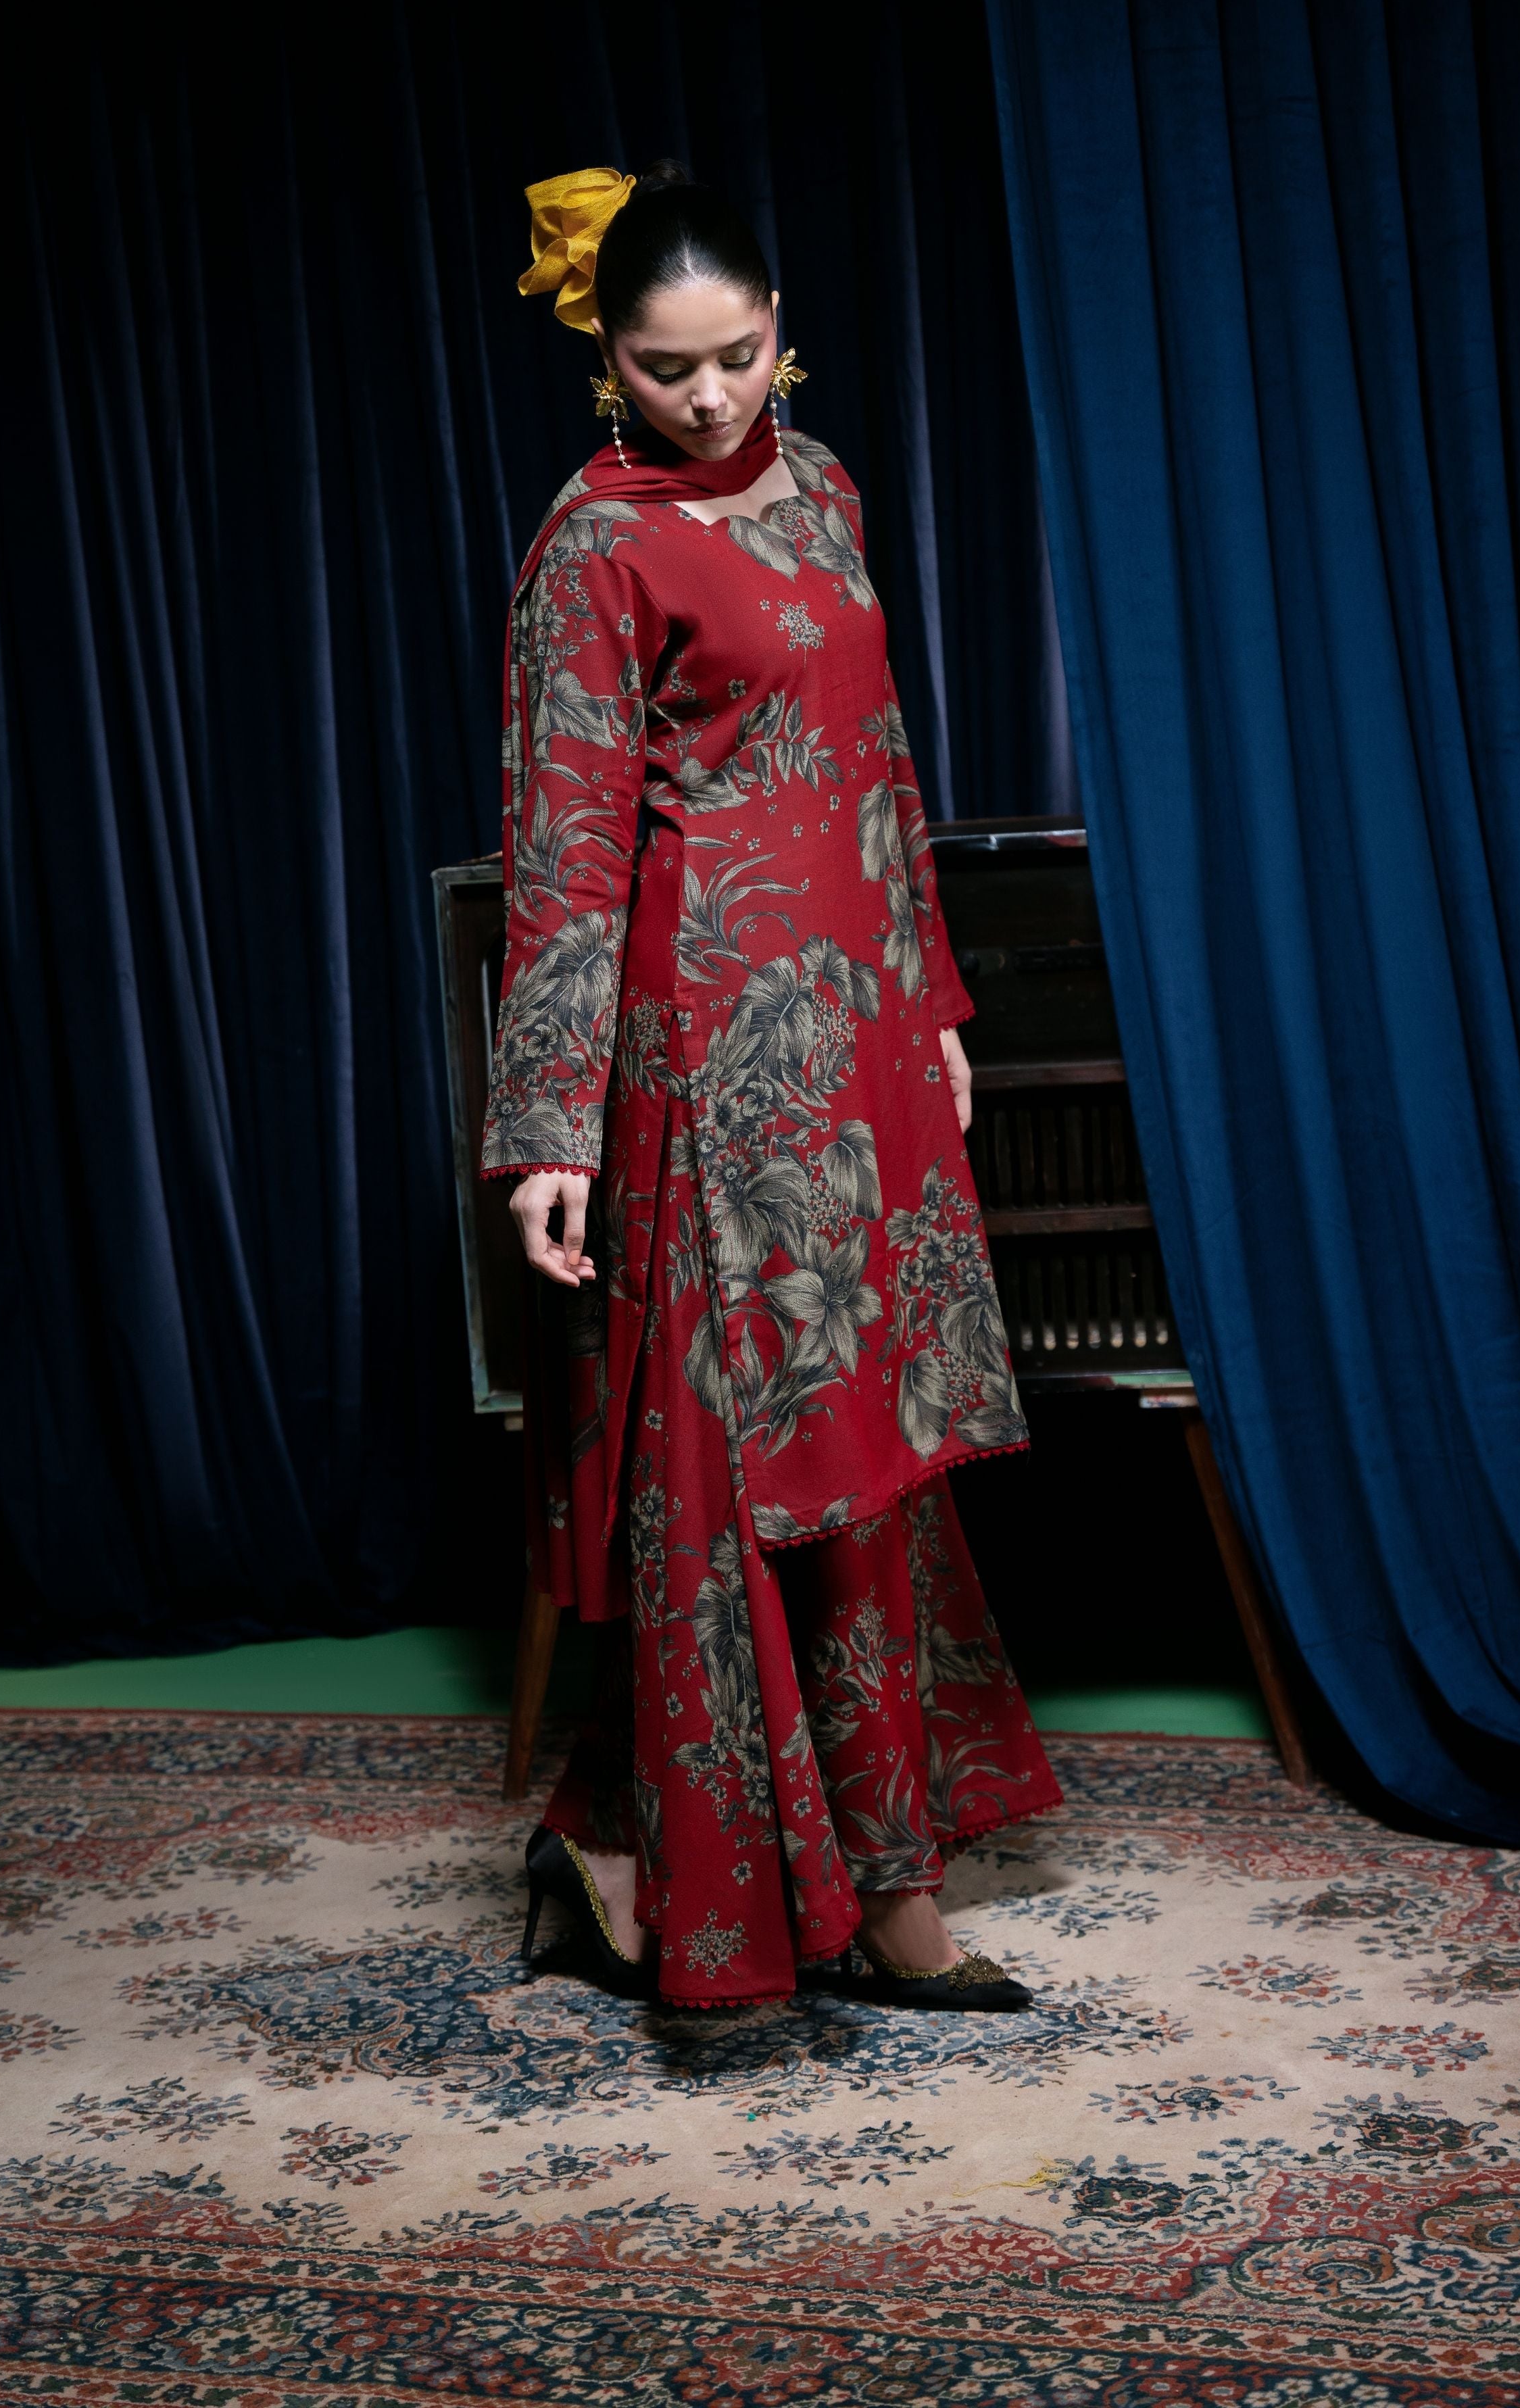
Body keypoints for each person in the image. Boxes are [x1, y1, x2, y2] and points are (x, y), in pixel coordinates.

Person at [483, 161, 1059, 2011]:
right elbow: (566, 848)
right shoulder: (594, 548)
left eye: (735, 355)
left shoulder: (822, 488)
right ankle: (774, 1896)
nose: (711, 396)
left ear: (779, 330)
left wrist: (933, 996)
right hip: (707, 1061)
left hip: (860, 1039)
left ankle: (784, 1870)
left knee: (860, 1458)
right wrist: (549, 1130)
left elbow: (878, 758)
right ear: (607, 361)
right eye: (666, 369)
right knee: (733, 1471)